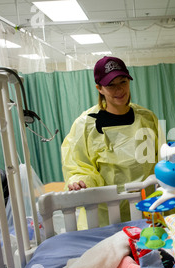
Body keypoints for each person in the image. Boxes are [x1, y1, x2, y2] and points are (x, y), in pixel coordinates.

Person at [61, 56, 162, 226]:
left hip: (146, 209)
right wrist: (81, 182)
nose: (119, 90)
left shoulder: (147, 118)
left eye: (123, 82)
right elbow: (78, 166)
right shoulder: (85, 125)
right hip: (104, 215)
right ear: (99, 88)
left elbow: (161, 159)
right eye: (110, 85)